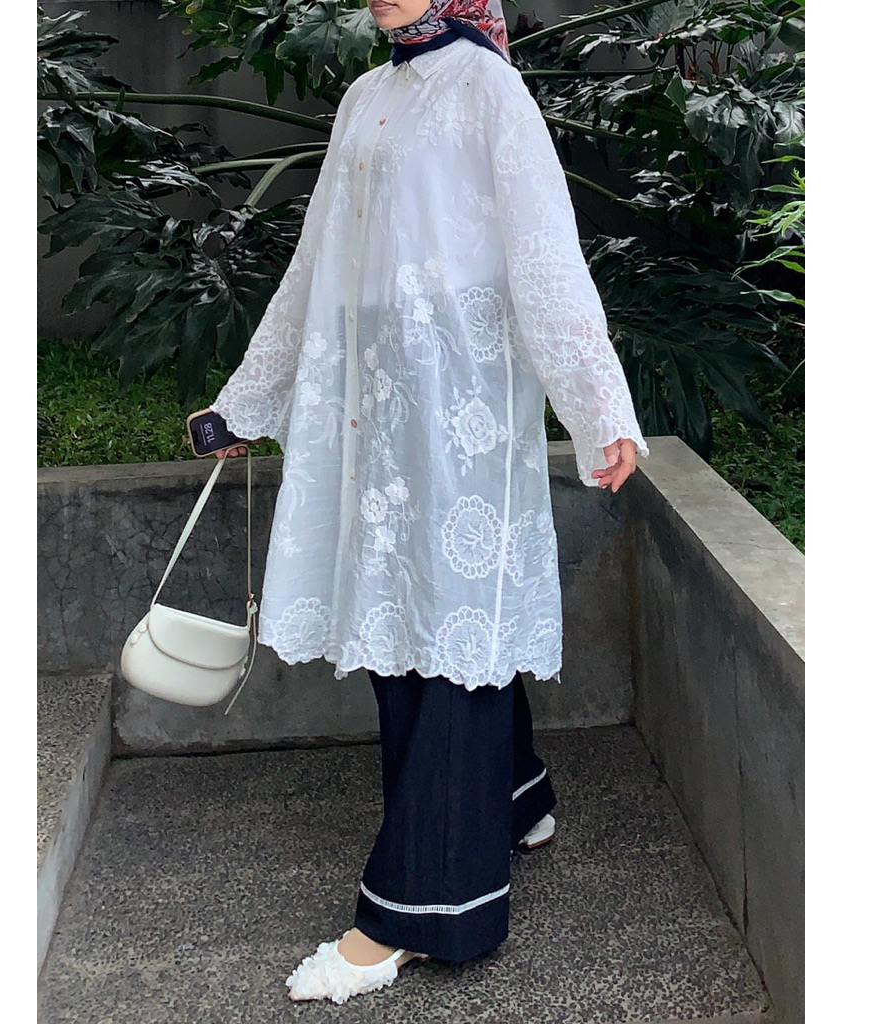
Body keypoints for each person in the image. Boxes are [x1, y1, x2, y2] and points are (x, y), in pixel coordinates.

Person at [200, 0, 649, 1005]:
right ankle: (513, 794)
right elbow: (316, 263)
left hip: (461, 412)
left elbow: (543, 255)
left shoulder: (489, 88)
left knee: (451, 625)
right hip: (377, 412)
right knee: (409, 619)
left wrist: (597, 408)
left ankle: (419, 909)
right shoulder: (367, 93)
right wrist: (246, 402)